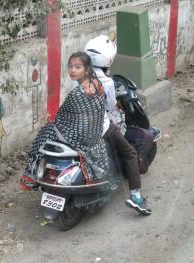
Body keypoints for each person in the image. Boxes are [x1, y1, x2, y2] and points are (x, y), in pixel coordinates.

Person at [85, 34, 152, 215]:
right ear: (107, 61)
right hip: (100, 128)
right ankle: (136, 196)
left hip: (79, 126)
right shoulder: (106, 82)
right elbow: (111, 107)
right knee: (130, 153)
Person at [20, 51, 107, 189]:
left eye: (77, 67)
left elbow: (61, 115)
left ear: (87, 70)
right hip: (95, 134)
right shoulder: (97, 84)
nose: (72, 70)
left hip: (79, 137)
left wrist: (55, 123)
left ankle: (31, 176)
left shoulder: (77, 93)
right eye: (70, 66)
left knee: (46, 130)